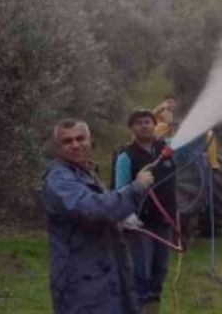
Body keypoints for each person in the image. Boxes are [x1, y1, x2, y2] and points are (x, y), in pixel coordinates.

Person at [43, 118, 154, 314]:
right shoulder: (59, 179)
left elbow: (97, 210)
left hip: (101, 278)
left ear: (90, 140)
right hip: (81, 284)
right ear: (57, 147)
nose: (75, 145)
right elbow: (94, 209)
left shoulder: (84, 172)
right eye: (67, 141)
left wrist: (120, 220)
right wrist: (136, 188)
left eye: (80, 138)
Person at [114, 109, 177, 310]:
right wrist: (126, 214)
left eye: (148, 122)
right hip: (140, 225)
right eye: (139, 123)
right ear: (132, 128)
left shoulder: (167, 149)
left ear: (154, 125)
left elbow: (191, 151)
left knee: (160, 272)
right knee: (140, 273)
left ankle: (152, 308)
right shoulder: (126, 156)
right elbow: (120, 188)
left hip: (164, 222)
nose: (144, 126)